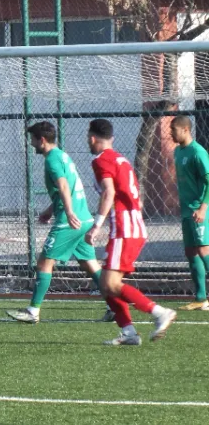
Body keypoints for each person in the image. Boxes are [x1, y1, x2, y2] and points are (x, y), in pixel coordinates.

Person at [84, 119, 176, 345]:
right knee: (106, 284)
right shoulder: (121, 159)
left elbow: (109, 192)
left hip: (124, 229)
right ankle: (129, 333)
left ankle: (159, 312)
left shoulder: (101, 160)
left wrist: (96, 225)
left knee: (111, 284)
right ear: (112, 138)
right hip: (131, 227)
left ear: (92, 138)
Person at [6, 121, 106, 324]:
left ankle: (33, 311)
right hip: (84, 218)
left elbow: (63, 186)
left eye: (33, 140)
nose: (31, 144)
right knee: (90, 264)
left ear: (42, 140)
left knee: (45, 262)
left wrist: (68, 212)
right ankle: (116, 305)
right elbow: (67, 188)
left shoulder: (52, 159)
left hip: (70, 221)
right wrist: (49, 210)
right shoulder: (62, 155)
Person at [172, 116, 209, 311]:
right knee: (191, 252)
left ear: (185, 130)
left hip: (199, 210)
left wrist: (203, 208)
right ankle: (201, 297)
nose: (171, 134)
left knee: (204, 250)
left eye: (174, 130)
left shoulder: (198, 152)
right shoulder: (177, 151)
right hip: (187, 211)